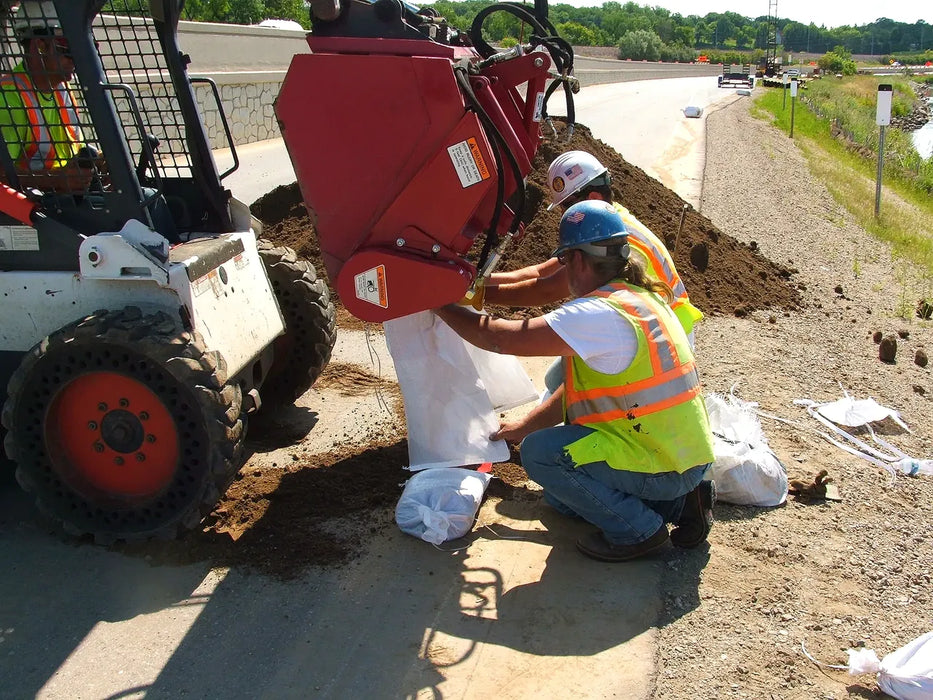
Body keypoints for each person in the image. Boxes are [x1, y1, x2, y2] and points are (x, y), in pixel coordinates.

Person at [436, 200, 716, 562]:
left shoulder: (597, 315)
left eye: (565, 261)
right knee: (561, 498)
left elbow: (500, 339)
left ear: (579, 261)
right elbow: (575, 389)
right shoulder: (637, 298)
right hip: (675, 452)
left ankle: (638, 532)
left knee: (542, 456)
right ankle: (682, 506)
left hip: (661, 461)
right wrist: (524, 424)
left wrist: (440, 304)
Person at [468, 150, 703, 343]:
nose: (563, 215)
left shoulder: (617, 237)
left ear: (593, 198)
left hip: (666, 335)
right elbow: (542, 272)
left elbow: (547, 289)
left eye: (566, 206)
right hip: (645, 324)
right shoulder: (607, 222)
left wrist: (474, 295)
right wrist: (475, 280)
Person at [0, 0, 97, 193]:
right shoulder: (8, 98)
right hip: (33, 210)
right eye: (69, 47)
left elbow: (71, 151)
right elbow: (2, 175)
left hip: (64, 201)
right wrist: (55, 180)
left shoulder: (63, 90)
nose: (78, 56)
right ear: (40, 45)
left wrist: (98, 164)